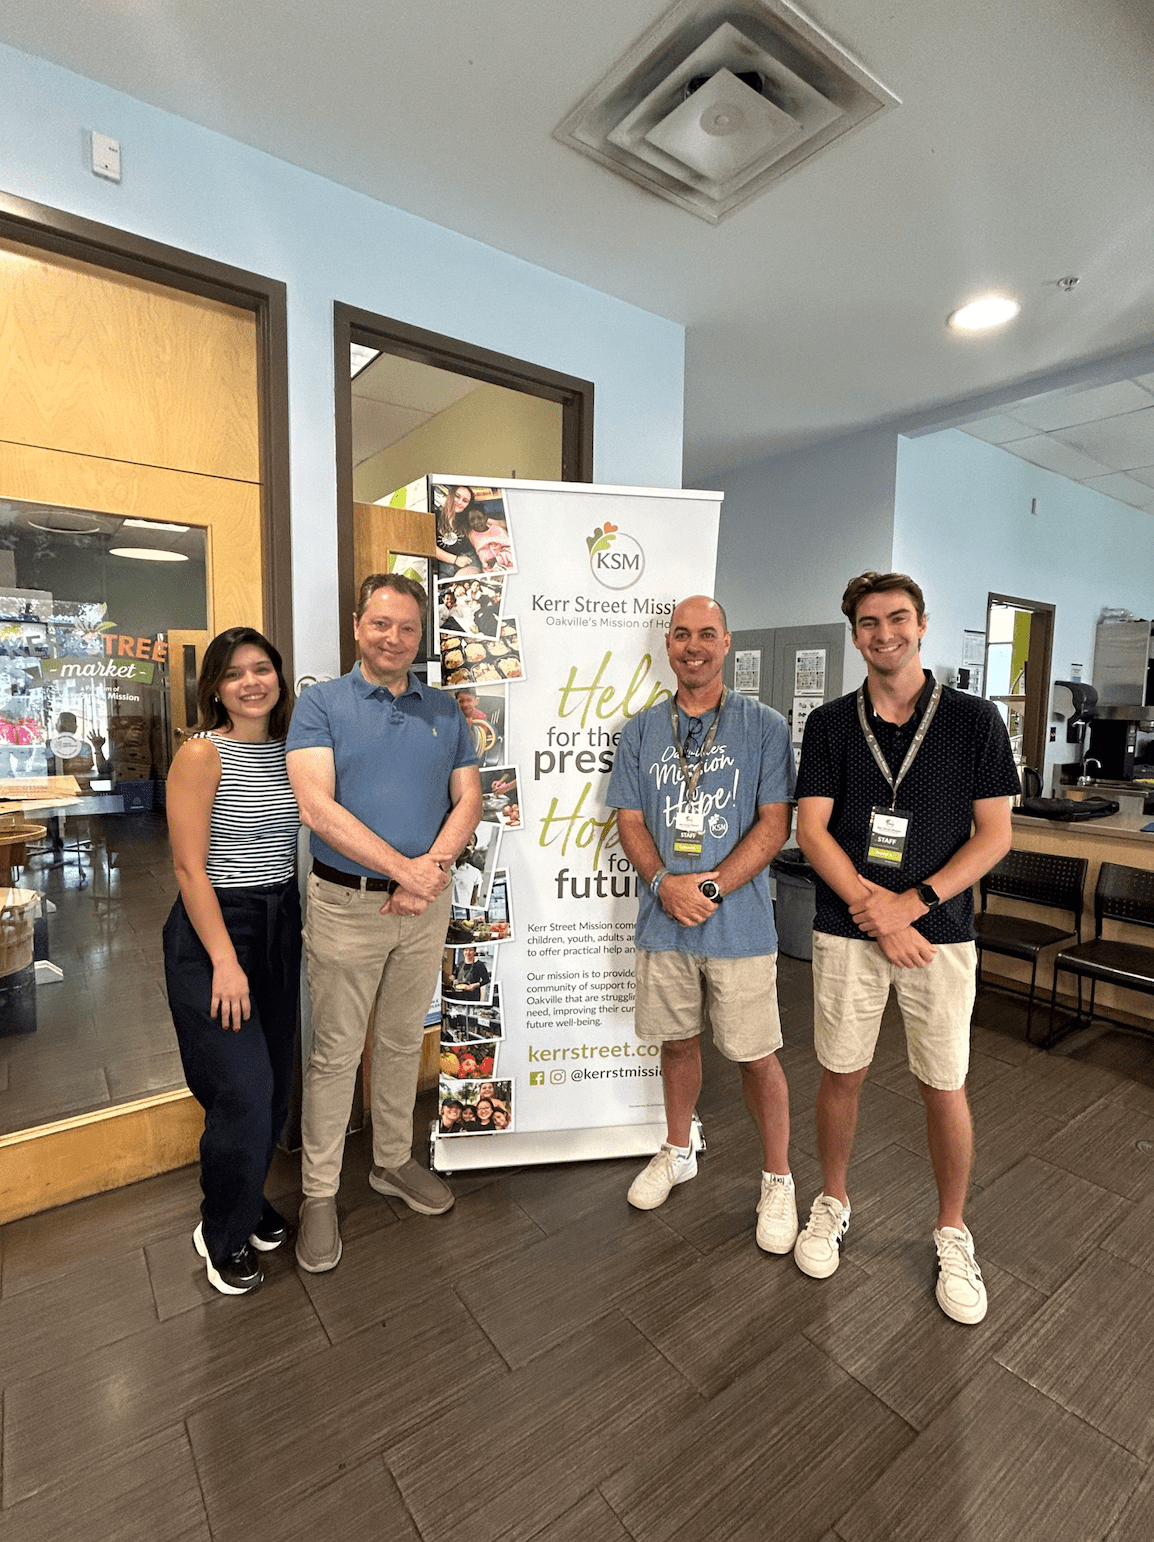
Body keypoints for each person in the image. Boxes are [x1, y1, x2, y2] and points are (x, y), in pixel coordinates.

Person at [793, 571, 1019, 1324]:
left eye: (897, 618)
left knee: (944, 1084)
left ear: (921, 624)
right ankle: (832, 1201)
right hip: (848, 928)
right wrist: (877, 913)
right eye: (868, 622)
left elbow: (995, 835)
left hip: (940, 932)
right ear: (854, 634)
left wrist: (912, 904)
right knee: (841, 1074)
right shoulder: (831, 724)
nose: (884, 633)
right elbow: (812, 831)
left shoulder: (975, 721)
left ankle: (953, 1231)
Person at [287, 573, 481, 1273]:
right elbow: (316, 807)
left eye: (407, 628)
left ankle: (392, 1162)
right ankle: (318, 1193)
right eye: (380, 623)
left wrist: (429, 872)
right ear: (357, 625)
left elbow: (469, 798)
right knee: (336, 1052)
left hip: (423, 907)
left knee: (401, 1042)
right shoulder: (321, 704)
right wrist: (407, 872)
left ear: (420, 636)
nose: (393, 638)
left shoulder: (445, 710)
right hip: (348, 905)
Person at [606, 595, 798, 1253]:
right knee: (678, 1044)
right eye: (682, 634)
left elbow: (775, 824)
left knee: (756, 1054)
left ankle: (778, 1178)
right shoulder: (640, 732)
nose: (694, 646)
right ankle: (677, 1148)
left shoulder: (764, 726)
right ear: (668, 645)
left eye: (706, 634)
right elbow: (630, 820)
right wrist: (665, 884)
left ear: (726, 642)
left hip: (739, 926)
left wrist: (709, 887)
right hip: (665, 923)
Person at [162, 627, 301, 1296]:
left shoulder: (292, 750)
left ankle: (246, 1199)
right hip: (216, 929)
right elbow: (189, 867)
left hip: (281, 924)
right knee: (241, 1090)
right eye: (234, 673)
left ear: (279, 676)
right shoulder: (201, 753)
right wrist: (224, 959)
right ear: (215, 687)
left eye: (261, 668)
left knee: (272, 1086)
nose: (251, 682)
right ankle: (222, 1232)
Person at [434, 485, 478, 580]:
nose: (460, 502)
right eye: (457, 496)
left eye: (465, 501)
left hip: (468, 560)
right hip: (444, 565)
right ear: (450, 495)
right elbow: (429, 547)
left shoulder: (468, 518)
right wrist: (455, 560)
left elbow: (490, 523)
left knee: (460, 582)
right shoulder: (434, 515)